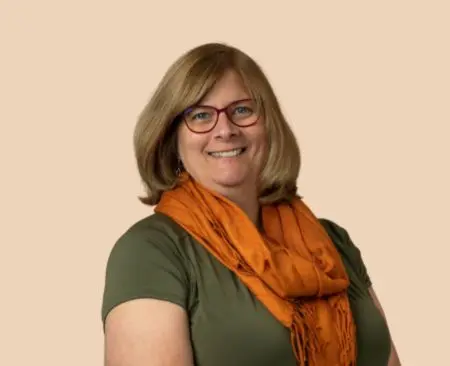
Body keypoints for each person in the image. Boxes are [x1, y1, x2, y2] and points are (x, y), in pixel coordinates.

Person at [101, 42, 401, 366]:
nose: (225, 130)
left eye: (242, 110)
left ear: (268, 123)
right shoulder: (151, 253)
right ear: (171, 136)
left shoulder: (334, 244)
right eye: (200, 116)